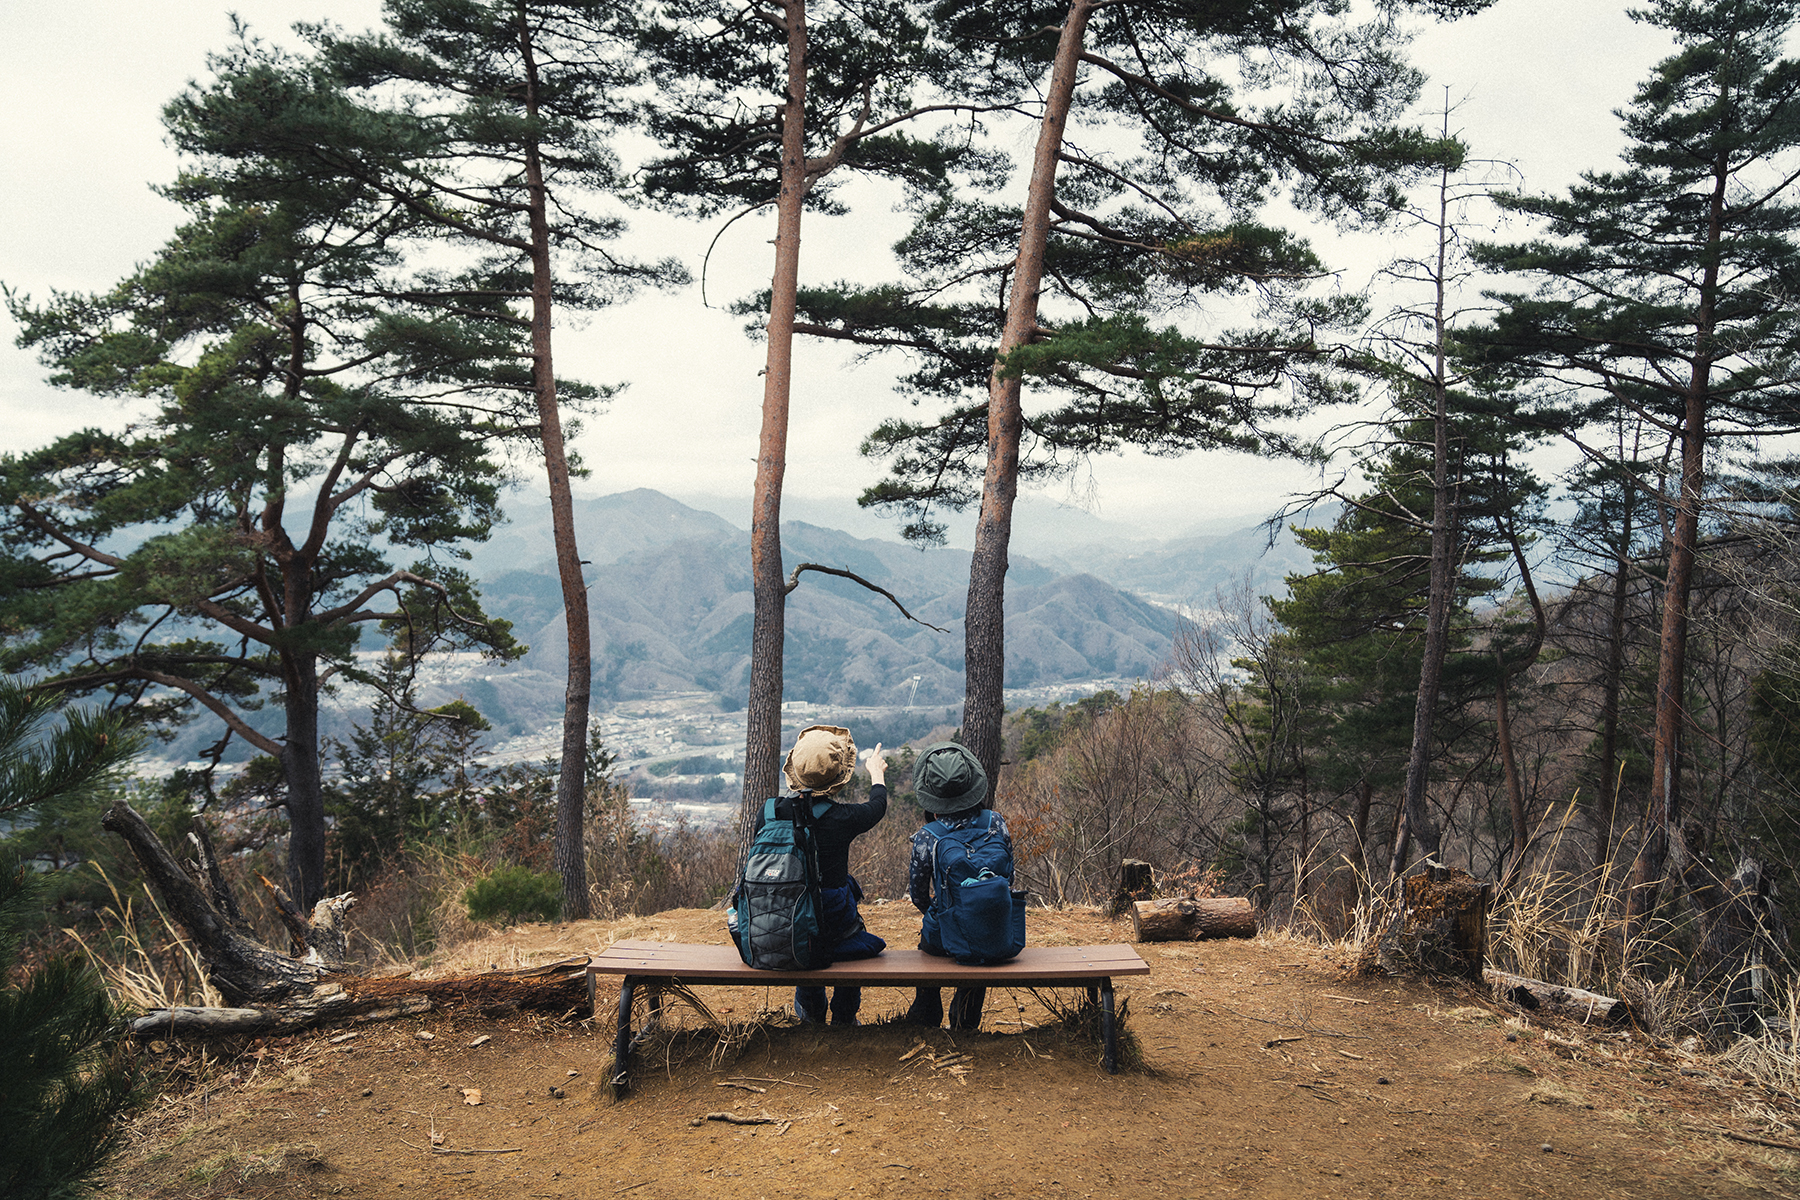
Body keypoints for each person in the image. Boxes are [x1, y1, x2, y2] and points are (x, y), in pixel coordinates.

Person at [756, 724, 888, 1025]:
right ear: (839, 776)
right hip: (833, 922)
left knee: (802, 924)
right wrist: (876, 773)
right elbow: (877, 806)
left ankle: (811, 1011)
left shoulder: (768, 813)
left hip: (781, 918)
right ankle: (844, 1014)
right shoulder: (842, 818)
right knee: (853, 933)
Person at [904, 741, 1011, 1030]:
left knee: (929, 943)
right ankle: (965, 1021)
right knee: (979, 947)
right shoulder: (995, 823)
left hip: (943, 935)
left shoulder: (928, 836)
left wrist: (940, 909)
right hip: (989, 928)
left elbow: (917, 893)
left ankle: (926, 1016)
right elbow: (1009, 876)